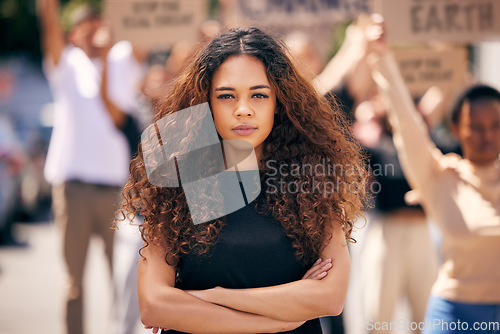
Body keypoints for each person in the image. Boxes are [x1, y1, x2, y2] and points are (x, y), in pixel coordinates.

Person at [119, 27, 369, 333]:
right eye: (226, 96)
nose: (243, 110)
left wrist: (214, 297)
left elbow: (330, 298)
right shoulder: (173, 181)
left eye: (259, 95)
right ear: (206, 102)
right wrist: (280, 319)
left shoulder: (312, 180)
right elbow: (154, 305)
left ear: (280, 100)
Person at [366, 15, 500, 334]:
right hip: (452, 315)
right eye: (476, 127)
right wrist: (382, 56)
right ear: (456, 130)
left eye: (496, 126)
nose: (487, 136)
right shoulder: (441, 177)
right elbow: (407, 122)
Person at [36, 0, 144, 333]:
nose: (98, 30)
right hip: (74, 189)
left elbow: (145, 31)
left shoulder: (122, 60)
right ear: (74, 35)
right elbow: (50, 26)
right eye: (90, 25)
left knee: (123, 275)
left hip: (117, 191)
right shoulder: (67, 65)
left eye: (102, 24)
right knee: (74, 281)